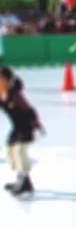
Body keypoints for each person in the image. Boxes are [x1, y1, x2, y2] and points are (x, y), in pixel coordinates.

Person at [0, 67, 44, 197]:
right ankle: (23, 179)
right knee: (9, 151)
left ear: (7, 80)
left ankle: (24, 182)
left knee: (19, 151)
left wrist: (36, 125)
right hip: (16, 127)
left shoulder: (15, 94)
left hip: (26, 126)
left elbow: (29, 110)